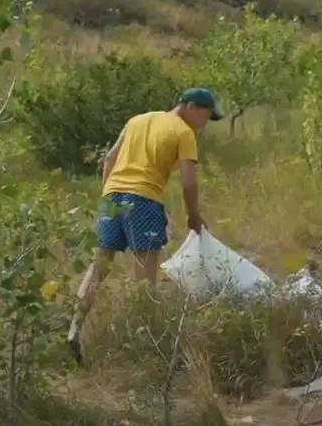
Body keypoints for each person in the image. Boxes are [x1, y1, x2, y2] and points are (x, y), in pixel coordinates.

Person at [67, 87, 223, 364]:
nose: (204, 124)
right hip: (144, 199)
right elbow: (189, 182)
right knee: (145, 276)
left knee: (100, 264)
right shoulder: (184, 132)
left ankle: (74, 328)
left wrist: (108, 197)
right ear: (191, 107)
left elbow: (110, 158)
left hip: (112, 196)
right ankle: (144, 346)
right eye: (206, 116)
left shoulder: (137, 120)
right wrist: (193, 215)